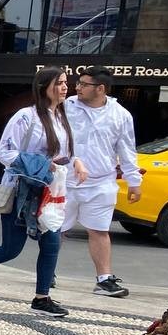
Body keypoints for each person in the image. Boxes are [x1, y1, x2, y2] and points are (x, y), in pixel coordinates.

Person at [0, 67, 87, 318]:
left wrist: (76, 162)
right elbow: (5, 153)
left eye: (65, 83)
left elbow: (65, 154)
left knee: (52, 244)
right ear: (43, 87)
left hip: (50, 192)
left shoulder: (61, 117)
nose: (65, 87)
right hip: (21, 190)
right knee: (11, 249)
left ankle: (42, 297)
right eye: (59, 83)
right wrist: (43, 164)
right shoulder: (25, 117)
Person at [62, 66, 141, 298]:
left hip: (101, 182)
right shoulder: (66, 107)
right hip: (65, 180)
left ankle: (104, 279)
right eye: (78, 83)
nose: (78, 87)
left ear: (101, 88)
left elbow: (127, 150)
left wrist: (134, 181)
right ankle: (47, 274)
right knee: (55, 229)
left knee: (99, 230)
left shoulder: (120, 115)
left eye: (84, 84)